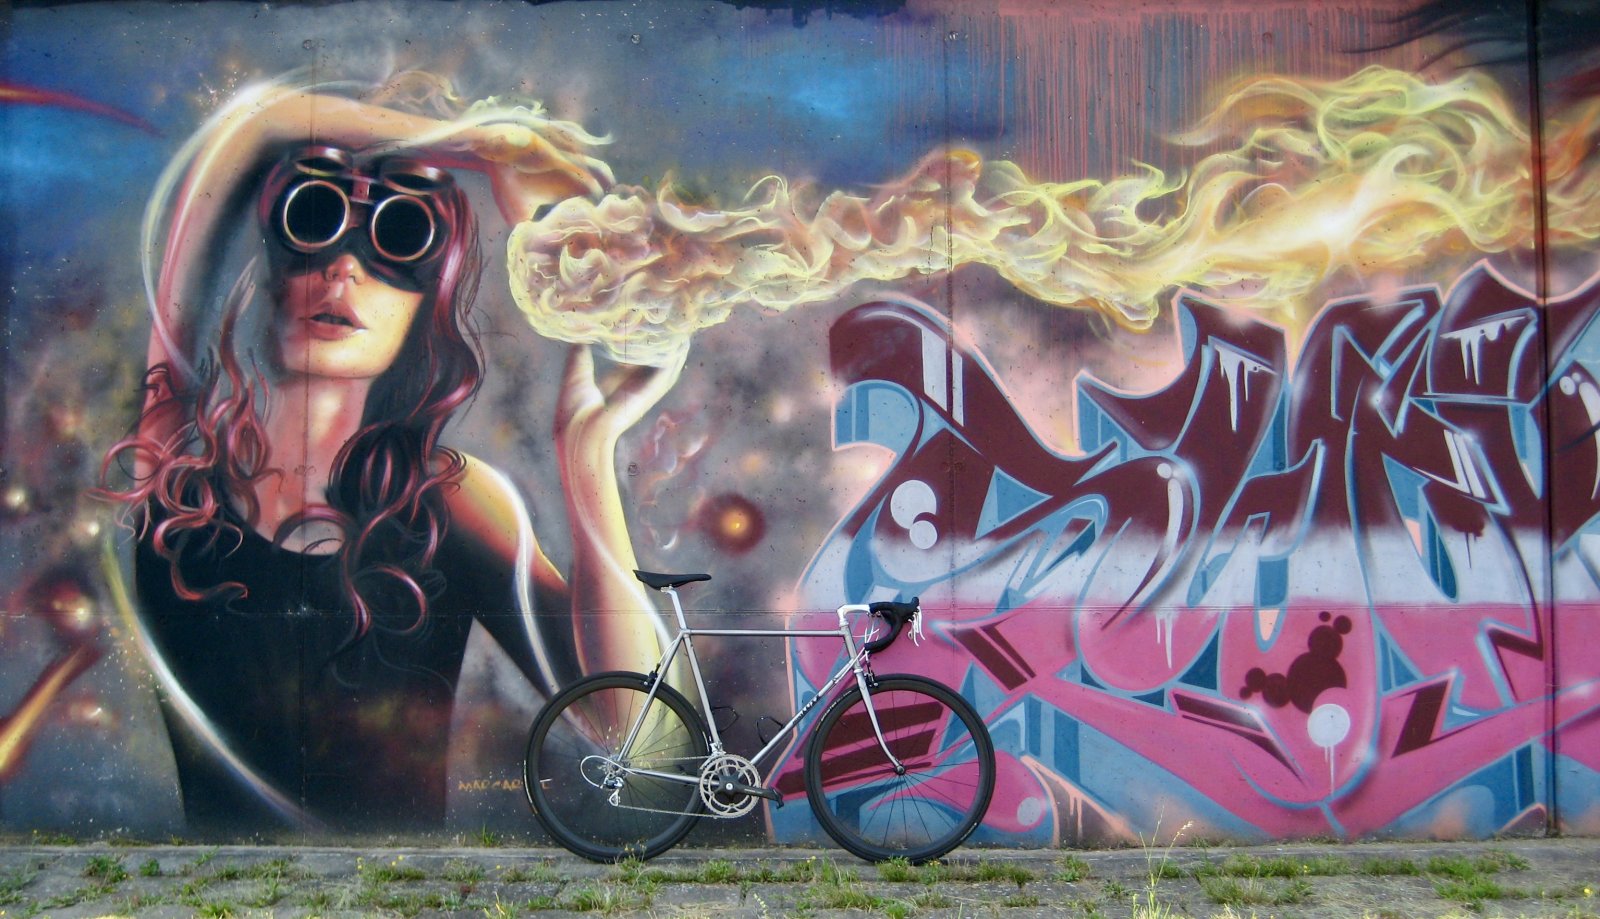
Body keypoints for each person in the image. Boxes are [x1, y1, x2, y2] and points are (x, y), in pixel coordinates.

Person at [99, 77, 677, 833]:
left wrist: (588, 454)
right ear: (270, 268)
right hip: (220, 887)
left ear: (425, 307)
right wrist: (482, 142)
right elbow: (252, 130)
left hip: (404, 887)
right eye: (315, 219)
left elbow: (633, 729)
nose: (345, 267)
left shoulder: (448, 503)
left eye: (399, 240)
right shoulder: (178, 479)